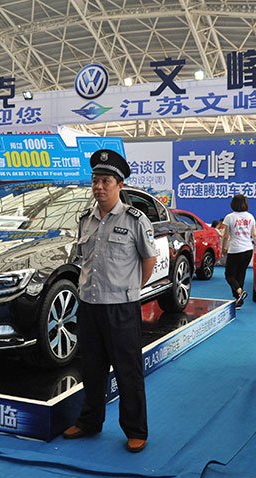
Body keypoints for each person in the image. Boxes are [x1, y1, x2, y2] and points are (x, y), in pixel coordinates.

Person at [62, 149, 157, 453]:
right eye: (95, 180)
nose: (99, 187)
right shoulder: (85, 220)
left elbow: (149, 259)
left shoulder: (135, 220)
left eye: (105, 181)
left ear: (119, 185)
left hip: (120, 308)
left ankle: (136, 429)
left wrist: (130, 289)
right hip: (89, 305)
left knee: (128, 371)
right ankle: (90, 421)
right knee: (91, 369)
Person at [222, 194, 256, 308]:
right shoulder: (250, 216)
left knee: (229, 275)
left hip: (235, 249)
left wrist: (223, 248)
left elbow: (225, 236)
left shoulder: (229, 217)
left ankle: (239, 292)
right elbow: (254, 235)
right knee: (241, 274)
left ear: (233, 204)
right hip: (248, 249)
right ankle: (239, 300)